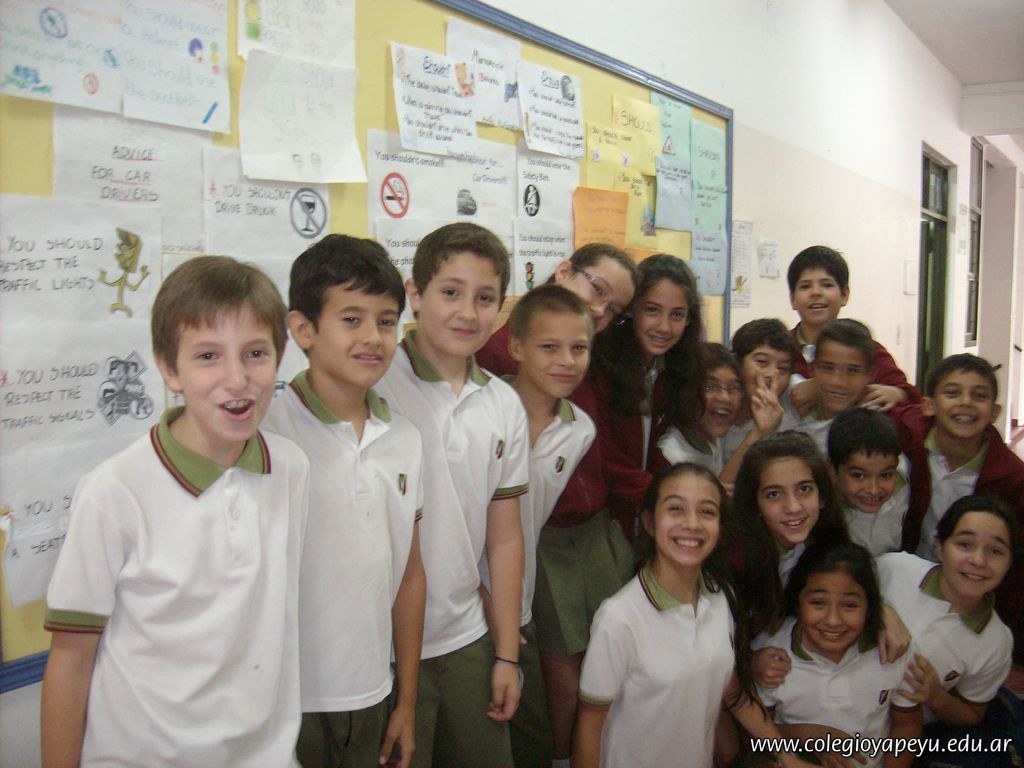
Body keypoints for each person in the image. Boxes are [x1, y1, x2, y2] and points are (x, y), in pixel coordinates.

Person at [41, 256, 310, 767]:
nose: (238, 379)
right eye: (208, 356)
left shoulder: (291, 468)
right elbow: (71, 659)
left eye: (256, 353)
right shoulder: (114, 492)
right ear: (169, 369)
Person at [261, 235, 426, 768]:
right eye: (351, 319)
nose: (373, 337)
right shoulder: (266, 438)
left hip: (374, 691)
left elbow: (410, 575)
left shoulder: (405, 438)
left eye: (386, 321)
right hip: (284, 702)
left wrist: (406, 700)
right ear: (303, 329)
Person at [374, 222, 528, 768]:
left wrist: (506, 653)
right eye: (450, 292)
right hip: (382, 647)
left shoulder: (503, 404)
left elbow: (505, 539)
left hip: (466, 636)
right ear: (415, 294)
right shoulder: (375, 382)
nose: (467, 312)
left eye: (485, 298)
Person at [573, 463, 817, 768]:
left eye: (707, 512)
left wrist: (787, 757)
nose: (692, 523)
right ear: (649, 522)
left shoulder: (719, 596)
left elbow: (735, 696)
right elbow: (590, 724)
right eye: (676, 509)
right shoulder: (619, 618)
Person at [485, 284, 597, 768]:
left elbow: (525, 523)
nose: (566, 361)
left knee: (528, 734)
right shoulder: (481, 411)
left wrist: (510, 607)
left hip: (518, 604)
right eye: (550, 347)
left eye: (579, 348)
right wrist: (480, 594)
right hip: (462, 603)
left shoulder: (580, 430)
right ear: (516, 346)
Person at [889, 353, 1024, 650]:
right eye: (952, 393)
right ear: (929, 405)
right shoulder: (906, 436)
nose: (966, 403)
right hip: (903, 580)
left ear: (994, 412)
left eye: (979, 396)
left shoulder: (1012, 477)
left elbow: (1015, 562)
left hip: (968, 589)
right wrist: (897, 391)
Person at [752, 542, 921, 768]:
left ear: (870, 607)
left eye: (849, 605)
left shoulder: (894, 649)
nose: (833, 620)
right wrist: (807, 735)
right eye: (818, 603)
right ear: (798, 601)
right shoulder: (771, 656)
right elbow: (753, 737)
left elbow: (906, 726)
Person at [590, 254, 704, 536]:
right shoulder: (600, 367)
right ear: (631, 310)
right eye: (652, 310)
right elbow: (602, 456)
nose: (664, 327)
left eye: (677, 315)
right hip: (595, 519)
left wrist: (689, 489)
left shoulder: (667, 371)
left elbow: (650, 453)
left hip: (636, 514)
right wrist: (661, 493)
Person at [877, 496, 1016, 727]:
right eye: (965, 544)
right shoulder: (895, 568)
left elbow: (972, 714)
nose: (978, 561)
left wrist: (936, 696)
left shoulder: (996, 641)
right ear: (940, 546)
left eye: (995, 551)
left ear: (1009, 562)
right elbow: (842, 587)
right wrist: (881, 609)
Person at [785, 245, 919, 414]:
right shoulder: (780, 348)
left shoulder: (867, 349)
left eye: (827, 285)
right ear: (792, 299)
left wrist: (897, 393)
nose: (816, 292)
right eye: (805, 286)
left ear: (844, 295)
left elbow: (909, 394)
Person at [475, 243, 637, 377]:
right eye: (597, 289)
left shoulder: (594, 366)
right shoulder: (497, 356)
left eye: (612, 309)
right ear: (564, 273)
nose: (600, 311)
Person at [720, 319, 803, 487]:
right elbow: (721, 490)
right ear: (736, 362)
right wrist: (760, 431)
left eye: (783, 368)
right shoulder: (717, 407)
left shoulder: (791, 396)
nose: (771, 374)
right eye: (762, 362)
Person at [827, 407, 909, 556]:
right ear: (832, 471)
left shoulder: (907, 487)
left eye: (885, 475)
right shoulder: (820, 510)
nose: (873, 490)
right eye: (858, 476)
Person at [655, 342, 743, 476]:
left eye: (734, 388)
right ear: (687, 393)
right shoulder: (671, 455)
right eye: (710, 386)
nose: (725, 398)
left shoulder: (710, 437)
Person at [792, 318, 876, 455]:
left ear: (870, 374)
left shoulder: (875, 432)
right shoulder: (791, 411)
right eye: (828, 368)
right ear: (812, 368)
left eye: (853, 370)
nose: (839, 382)